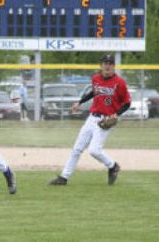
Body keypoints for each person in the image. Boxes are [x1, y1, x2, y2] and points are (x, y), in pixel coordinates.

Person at [49, 54, 131, 186]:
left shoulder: (119, 82)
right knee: (77, 148)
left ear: (114, 66)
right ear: (101, 65)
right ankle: (64, 177)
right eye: (105, 63)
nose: (107, 66)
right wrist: (80, 102)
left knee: (94, 150)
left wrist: (117, 114)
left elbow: (127, 103)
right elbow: (94, 92)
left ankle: (113, 166)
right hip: (92, 118)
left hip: (105, 121)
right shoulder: (96, 78)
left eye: (110, 63)